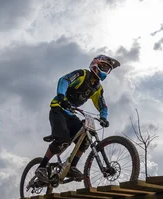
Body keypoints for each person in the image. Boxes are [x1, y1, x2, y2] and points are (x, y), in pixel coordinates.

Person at [35, 55, 120, 183]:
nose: (105, 70)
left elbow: (103, 105)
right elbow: (64, 80)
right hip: (58, 108)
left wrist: (104, 117)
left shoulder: (97, 88)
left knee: (86, 139)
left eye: (107, 69)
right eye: (103, 66)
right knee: (62, 139)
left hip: (70, 113)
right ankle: (41, 167)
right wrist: (61, 96)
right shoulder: (82, 74)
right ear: (95, 64)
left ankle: (71, 167)